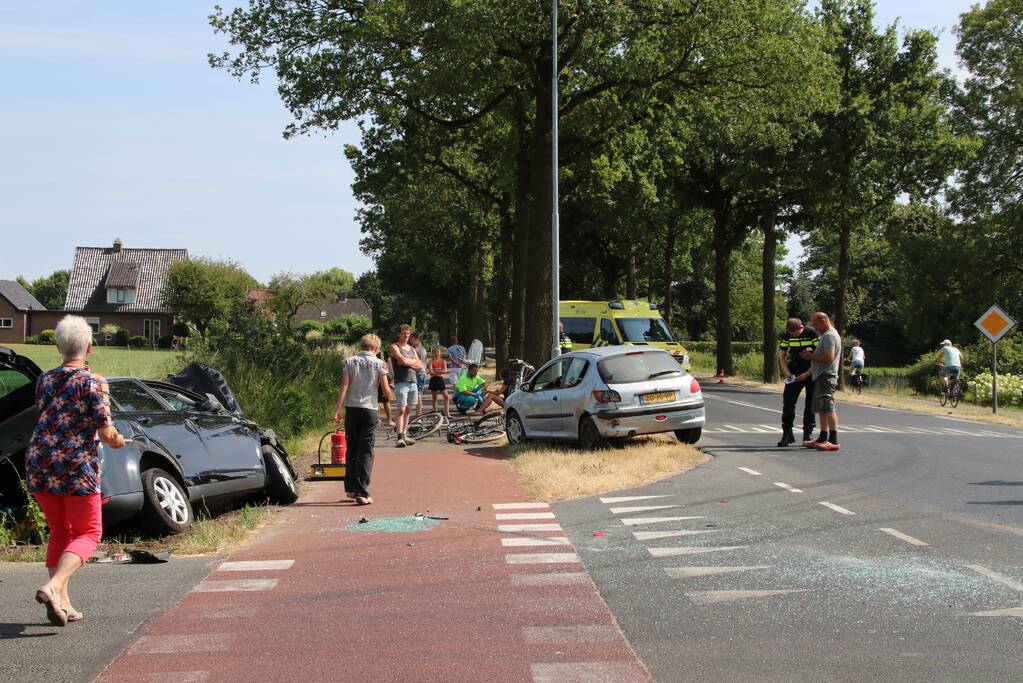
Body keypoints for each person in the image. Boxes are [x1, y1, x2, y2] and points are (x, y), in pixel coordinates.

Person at [26, 315, 128, 626]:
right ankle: (54, 587)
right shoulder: (95, 382)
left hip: (39, 462)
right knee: (89, 532)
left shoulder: (44, 380)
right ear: (90, 347)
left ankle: (63, 604)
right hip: (75, 466)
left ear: (58, 346)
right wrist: (119, 440)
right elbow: (106, 433)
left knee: (60, 532)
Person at [334, 334, 391, 506]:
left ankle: (351, 488)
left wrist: (337, 409)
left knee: (352, 448)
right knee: (366, 450)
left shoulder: (350, 361)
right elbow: (386, 391)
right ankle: (361, 491)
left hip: (351, 409)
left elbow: (344, 385)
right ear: (376, 348)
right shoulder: (380, 364)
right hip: (369, 409)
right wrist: (387, 395)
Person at [801, 312, 842, 452]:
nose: (815, 328)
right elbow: (824, 354)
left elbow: (829, 357)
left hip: (826, 375)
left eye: (817, 324)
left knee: (828, 406)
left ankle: (833, 440)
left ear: (824, 321)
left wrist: (811, 357)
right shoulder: (826, 335)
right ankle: (822, 437)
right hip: (821, 375)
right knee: (822, 408)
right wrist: (813, 352)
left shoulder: (830, 335)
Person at [777, 317, 818, 447]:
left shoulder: (812, 333)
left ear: (802, 327)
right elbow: (782, 355)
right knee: (788, 401)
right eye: (791, 334)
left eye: (795, 333)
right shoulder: (788, 335)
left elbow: (818, 357)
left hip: (811, 371)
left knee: (810, 403)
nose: (793, 335)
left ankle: (808, 433)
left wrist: (807, 373)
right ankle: (787, 433)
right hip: (794, 371)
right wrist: (787, 372)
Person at [390, 324, 423, 447]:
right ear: (399, 334)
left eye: (408, 333)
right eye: (404, 333)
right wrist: (410, 362)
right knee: (401, 409)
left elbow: (420, 366)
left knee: (409, 409)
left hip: (413, 381)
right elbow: (401, 360)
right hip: (401, 381)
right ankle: (399, 437)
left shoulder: (412, 349)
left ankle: (405, 434)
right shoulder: (395, 346)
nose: (406, 335)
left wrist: (408, 363)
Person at [427, 346, 451, 416]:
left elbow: (445, 371)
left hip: (440, 379)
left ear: (440, 353)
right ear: (432, 353)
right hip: (433, 379)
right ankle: (435, 413)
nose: (436, 353)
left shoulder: (443, 361)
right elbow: (431, 372)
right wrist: (440, 371)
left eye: (438, 352)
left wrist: (436, 371)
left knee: (446, 397)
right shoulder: (430, 361)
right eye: (435, 352)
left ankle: (447, 413)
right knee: (434, 398)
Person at [410, 331, 429, 417]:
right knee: (419, 393)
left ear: (418, 339)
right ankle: (418, 414)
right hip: (423, 372)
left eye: (412, 340)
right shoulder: (423, 349)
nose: (411, 342)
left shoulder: (416, 350)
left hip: (418, 372)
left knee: (418, 394)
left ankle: (418, 415)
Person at [375, 350, 393, 428]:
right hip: (381, 384)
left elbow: (390, 376)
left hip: (379, 384)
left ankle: (382, 420)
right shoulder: (384, 363)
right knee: (383, 402)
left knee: (383, 402)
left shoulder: (379, 362)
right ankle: (383, 421)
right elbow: (391, 376)